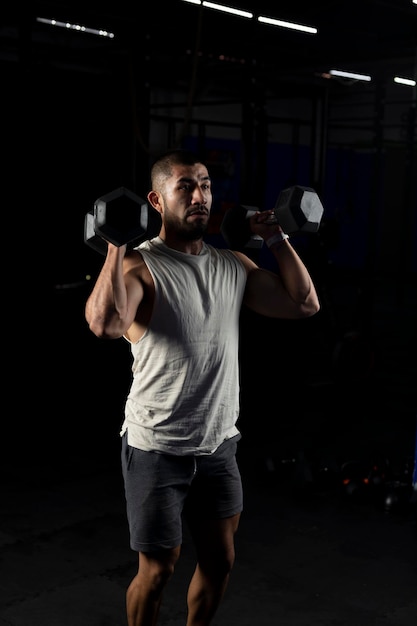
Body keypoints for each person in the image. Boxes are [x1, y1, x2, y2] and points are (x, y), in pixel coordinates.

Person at [85, 148, 320, 626]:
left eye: (207, 185)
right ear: (157, 200)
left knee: (220, 562)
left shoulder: (233, 265)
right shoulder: (140, 268)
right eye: (186, 187)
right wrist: (115, 243)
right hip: (156, 447)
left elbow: (303, 304)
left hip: (218, 445)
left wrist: (275, 237)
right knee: (157, 571)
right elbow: (106, 325)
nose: (200, 196)